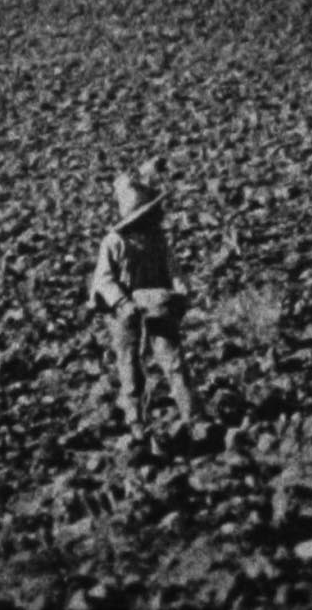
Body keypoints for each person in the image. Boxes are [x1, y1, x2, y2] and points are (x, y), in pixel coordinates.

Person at [89, 167, 199, 444]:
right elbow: (103, 280)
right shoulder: (114, 242)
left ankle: (193, 416)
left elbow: (173, 269)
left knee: (173, 360)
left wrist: (182, 290)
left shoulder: (157, 240)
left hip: (157, 305)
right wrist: (123, 303)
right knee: (130, 366)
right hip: (124, 313)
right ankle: (136, 420)